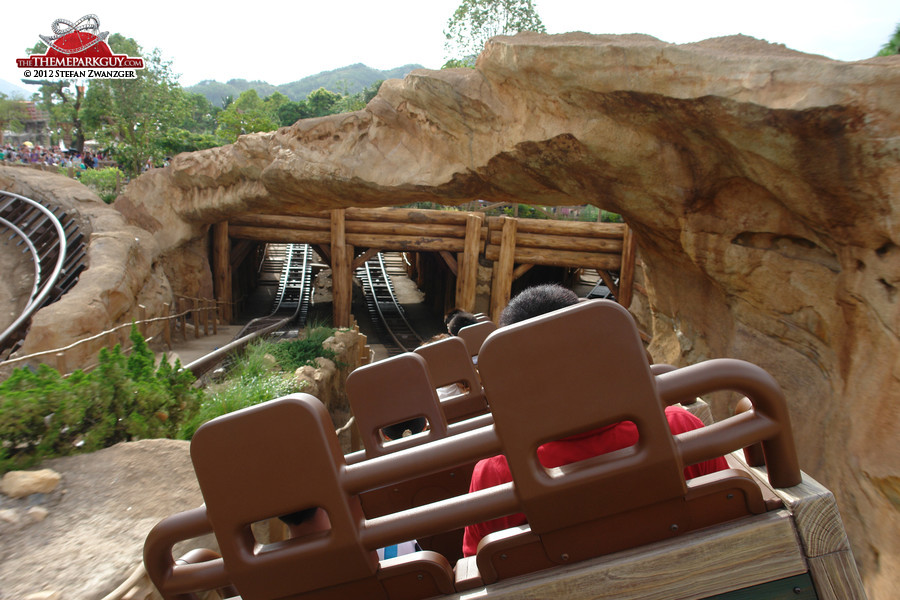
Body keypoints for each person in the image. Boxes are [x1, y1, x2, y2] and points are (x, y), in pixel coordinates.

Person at [462, 283, 728, 556]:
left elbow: (482, 564)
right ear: (595, 349)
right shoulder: (677, 427)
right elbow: (727, 516)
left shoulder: (495, 475)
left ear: (514, 375)